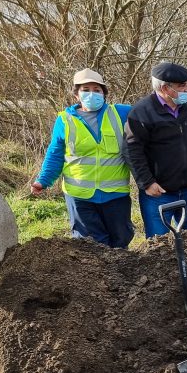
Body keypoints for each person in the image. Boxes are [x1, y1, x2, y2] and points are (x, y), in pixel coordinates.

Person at [32, 68, 134, 248]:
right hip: (79, 195)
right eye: (85, 89)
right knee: (90, 246)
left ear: (104, 94)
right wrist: (44, 180)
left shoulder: (120, 113)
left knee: (121, 241)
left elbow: (151, 112)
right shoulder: (64, 120)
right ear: (76, 94)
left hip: (115, 194)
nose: (91, 94)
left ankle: (121, 276)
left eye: (97, 90)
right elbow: (55, 153)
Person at [124, 62, 187, 238]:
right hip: (159, 192)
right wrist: (146, 182)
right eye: (181, 85)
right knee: (158, 245)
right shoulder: (141, 112)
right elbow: (132, 150)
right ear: (165, 88)